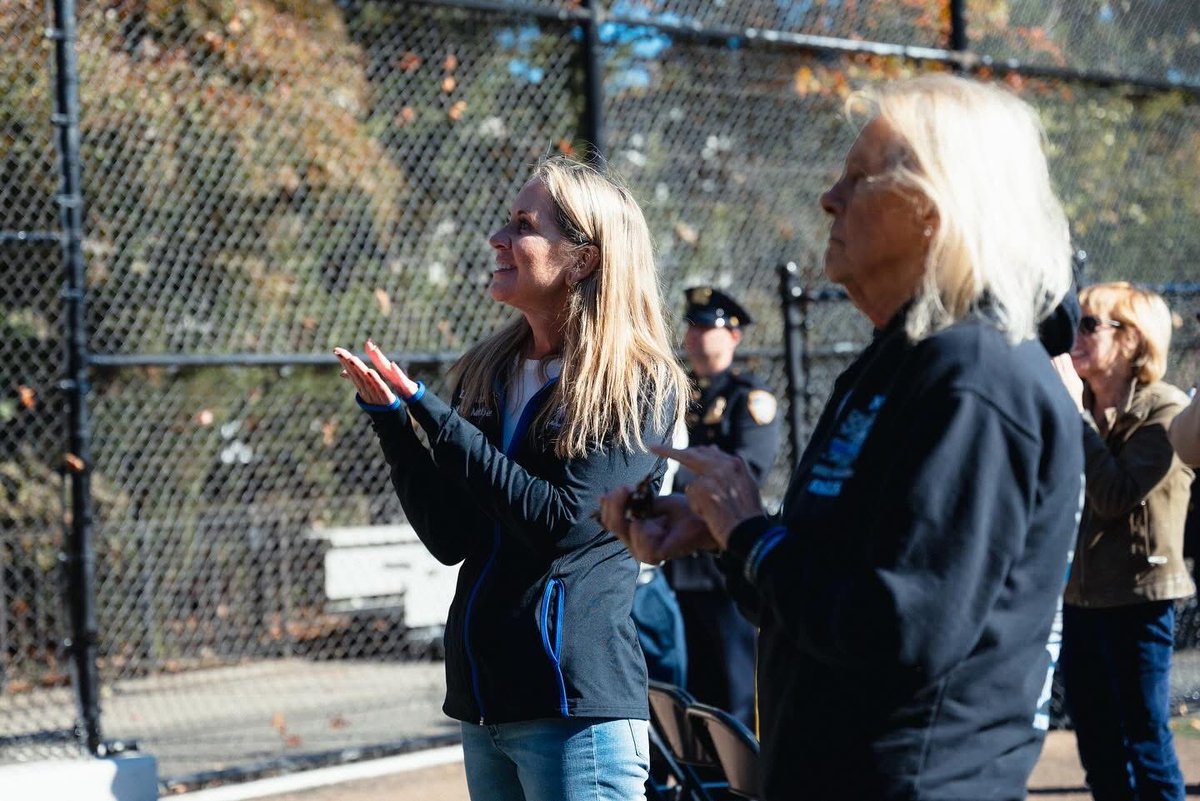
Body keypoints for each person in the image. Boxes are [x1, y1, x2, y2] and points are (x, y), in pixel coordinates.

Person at [600, 74, 1083, 800]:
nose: (829, 197)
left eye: (859, 178)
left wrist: (752, 535)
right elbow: (823, 590)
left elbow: (901, 627)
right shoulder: (898, 359)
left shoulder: (976, 373)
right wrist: (722, 534)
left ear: (931, 209)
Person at [335, 155, 689, 801]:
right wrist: (392, 422)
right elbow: (451, 535)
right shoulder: (490, 368)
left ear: (582, 258)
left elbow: (555, 520)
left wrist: (431, 414)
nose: (499, 239)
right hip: (485, 705)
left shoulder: (637, 381)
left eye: (523, 225)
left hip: (576, 712)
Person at [1054, 282, 1195, 801]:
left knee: (1146, 743)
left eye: (1091, 324)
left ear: (1132, 340)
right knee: (1098, 750)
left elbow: (1114, 495)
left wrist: (1072, 415)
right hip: (1080, 598)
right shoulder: (1077, 406)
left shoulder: (1167, 411)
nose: (1076, 335)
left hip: (1139, 601)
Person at [663, 286, 780, 728]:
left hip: (721, 563)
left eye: (707, 327)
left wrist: (670, 483)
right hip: (675, 562)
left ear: (733, 336)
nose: (695, 337)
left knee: (733, 692)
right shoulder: (676, 393)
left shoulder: (750, 400)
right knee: (686, 694)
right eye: (692, 326)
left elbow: (745, 472)